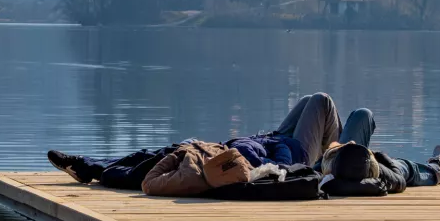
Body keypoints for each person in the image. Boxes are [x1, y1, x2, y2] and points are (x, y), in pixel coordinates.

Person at [48, 92, 367, 188]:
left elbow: (275, 167)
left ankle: (332, 159)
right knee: (316, 100)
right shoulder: (223, 161)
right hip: (285, 148)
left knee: (320, 100)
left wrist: (275, 145)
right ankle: (335, 157)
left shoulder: (223, 163)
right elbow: (274, 164)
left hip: (288, 152)